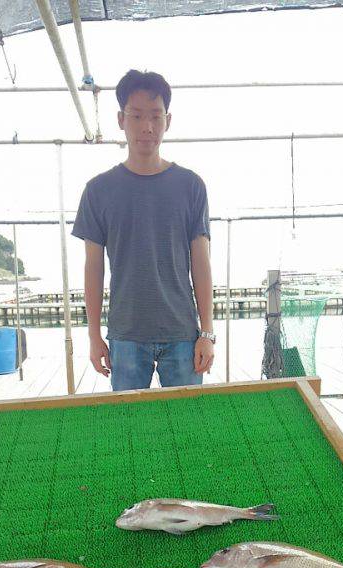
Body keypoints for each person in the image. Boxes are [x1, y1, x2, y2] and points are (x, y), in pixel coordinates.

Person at [72, 69, 215, 391]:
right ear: (121, 119)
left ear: (168, 120)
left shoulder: (191, 186)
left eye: (155, 116)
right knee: (128, 431)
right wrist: (94, 336)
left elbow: (201, 263)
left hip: (183, 333)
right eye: (137, 116)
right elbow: (93, 268)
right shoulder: (98, 190)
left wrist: (206, 332)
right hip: (125, 336)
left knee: (186, 426)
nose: (147, 127)